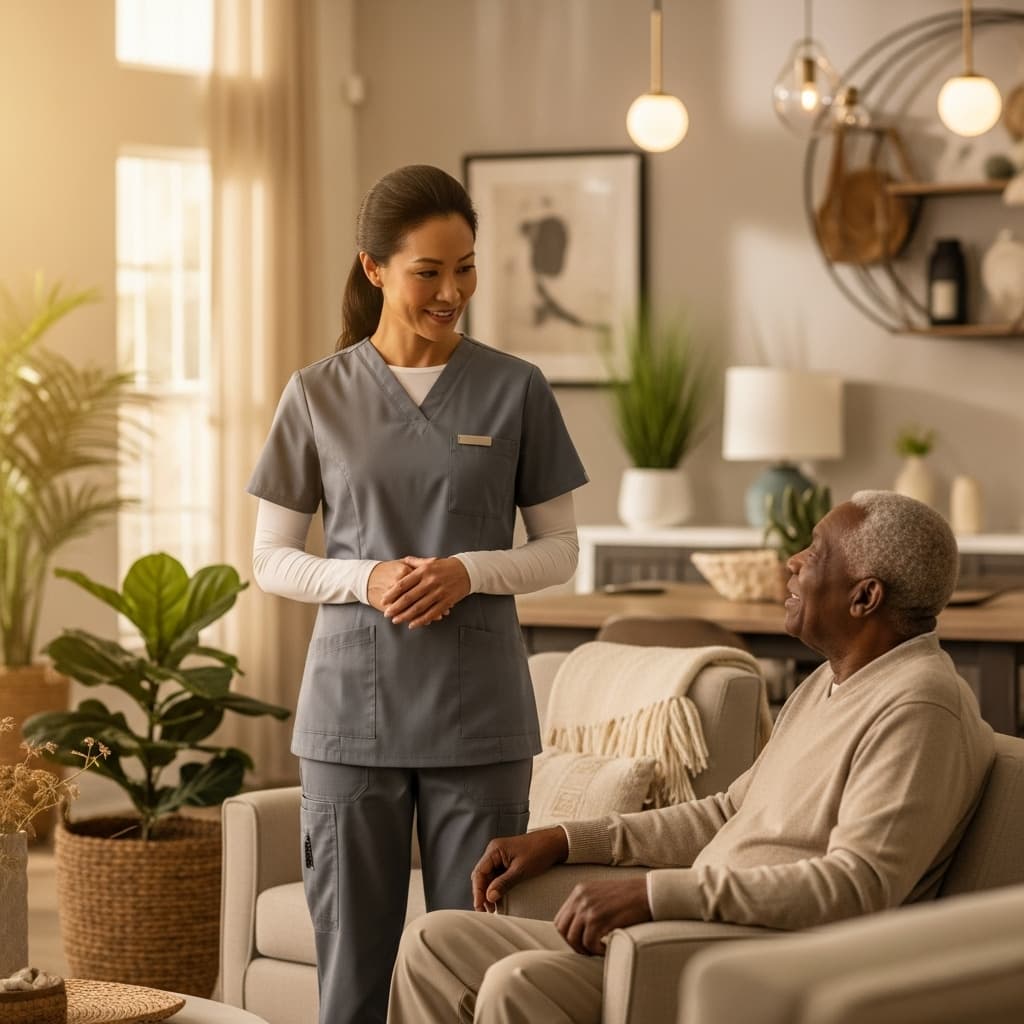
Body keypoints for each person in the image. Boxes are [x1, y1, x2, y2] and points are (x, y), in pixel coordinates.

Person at [388, 490, 996, 1024]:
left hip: (760, 958)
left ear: (864, 596)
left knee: (517, 981)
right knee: (433, 941)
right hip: (691, 932)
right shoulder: (830, 681)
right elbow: (729, 812)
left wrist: (658, 895)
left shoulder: (919, 707)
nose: (792, 562)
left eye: (815, 552)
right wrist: (569, 839)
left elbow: (857, 886)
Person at [246, 164, 588, 1024]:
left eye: (465, 268)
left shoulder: (515, 388)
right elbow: (271, 559)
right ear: (374, 268)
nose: (451, 292)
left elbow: (560, 551)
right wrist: (364, 578)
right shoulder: (316, 393)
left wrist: (470, 570)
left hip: (479, 722)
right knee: (350, 977)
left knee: (474, 967)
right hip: (349, 716)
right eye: (427, 272)